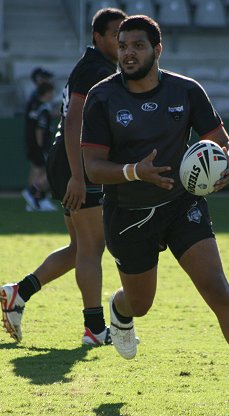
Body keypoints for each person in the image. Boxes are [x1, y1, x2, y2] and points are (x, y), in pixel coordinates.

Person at [81, 15, 229, 411]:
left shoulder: (187, 90)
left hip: (182, 204)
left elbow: (223, 141)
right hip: (129, 214)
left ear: (158, 50)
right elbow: (92, 167)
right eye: (122, 46)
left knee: (216, 287)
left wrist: (227, 161)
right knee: (141, 302)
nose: (127, 54)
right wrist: (134, 171)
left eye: (137, 46)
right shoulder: (102, 97)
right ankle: (120, 311)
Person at [0, 8, 127, 346]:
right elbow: (73, 123)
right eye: (116, 33)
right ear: (98, 37)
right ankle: (95, 329)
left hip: (69, 160)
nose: (121, 40)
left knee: (78, 248)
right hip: (77, 162)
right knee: (91, 247)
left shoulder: (95, 66)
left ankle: (18, 293)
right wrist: (77, 175)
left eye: (124, 34)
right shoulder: (96, 69)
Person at [21, 80, 58, 212]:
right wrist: (41, 146)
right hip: (41, 146)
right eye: (51, 92)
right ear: (47, 93)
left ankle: (36, 199)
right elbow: (40, 129)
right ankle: (32, 192)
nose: (53, 94)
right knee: (48, 171)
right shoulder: (43, 108)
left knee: (39, 170)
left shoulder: (39, 106)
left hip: (35, 145)